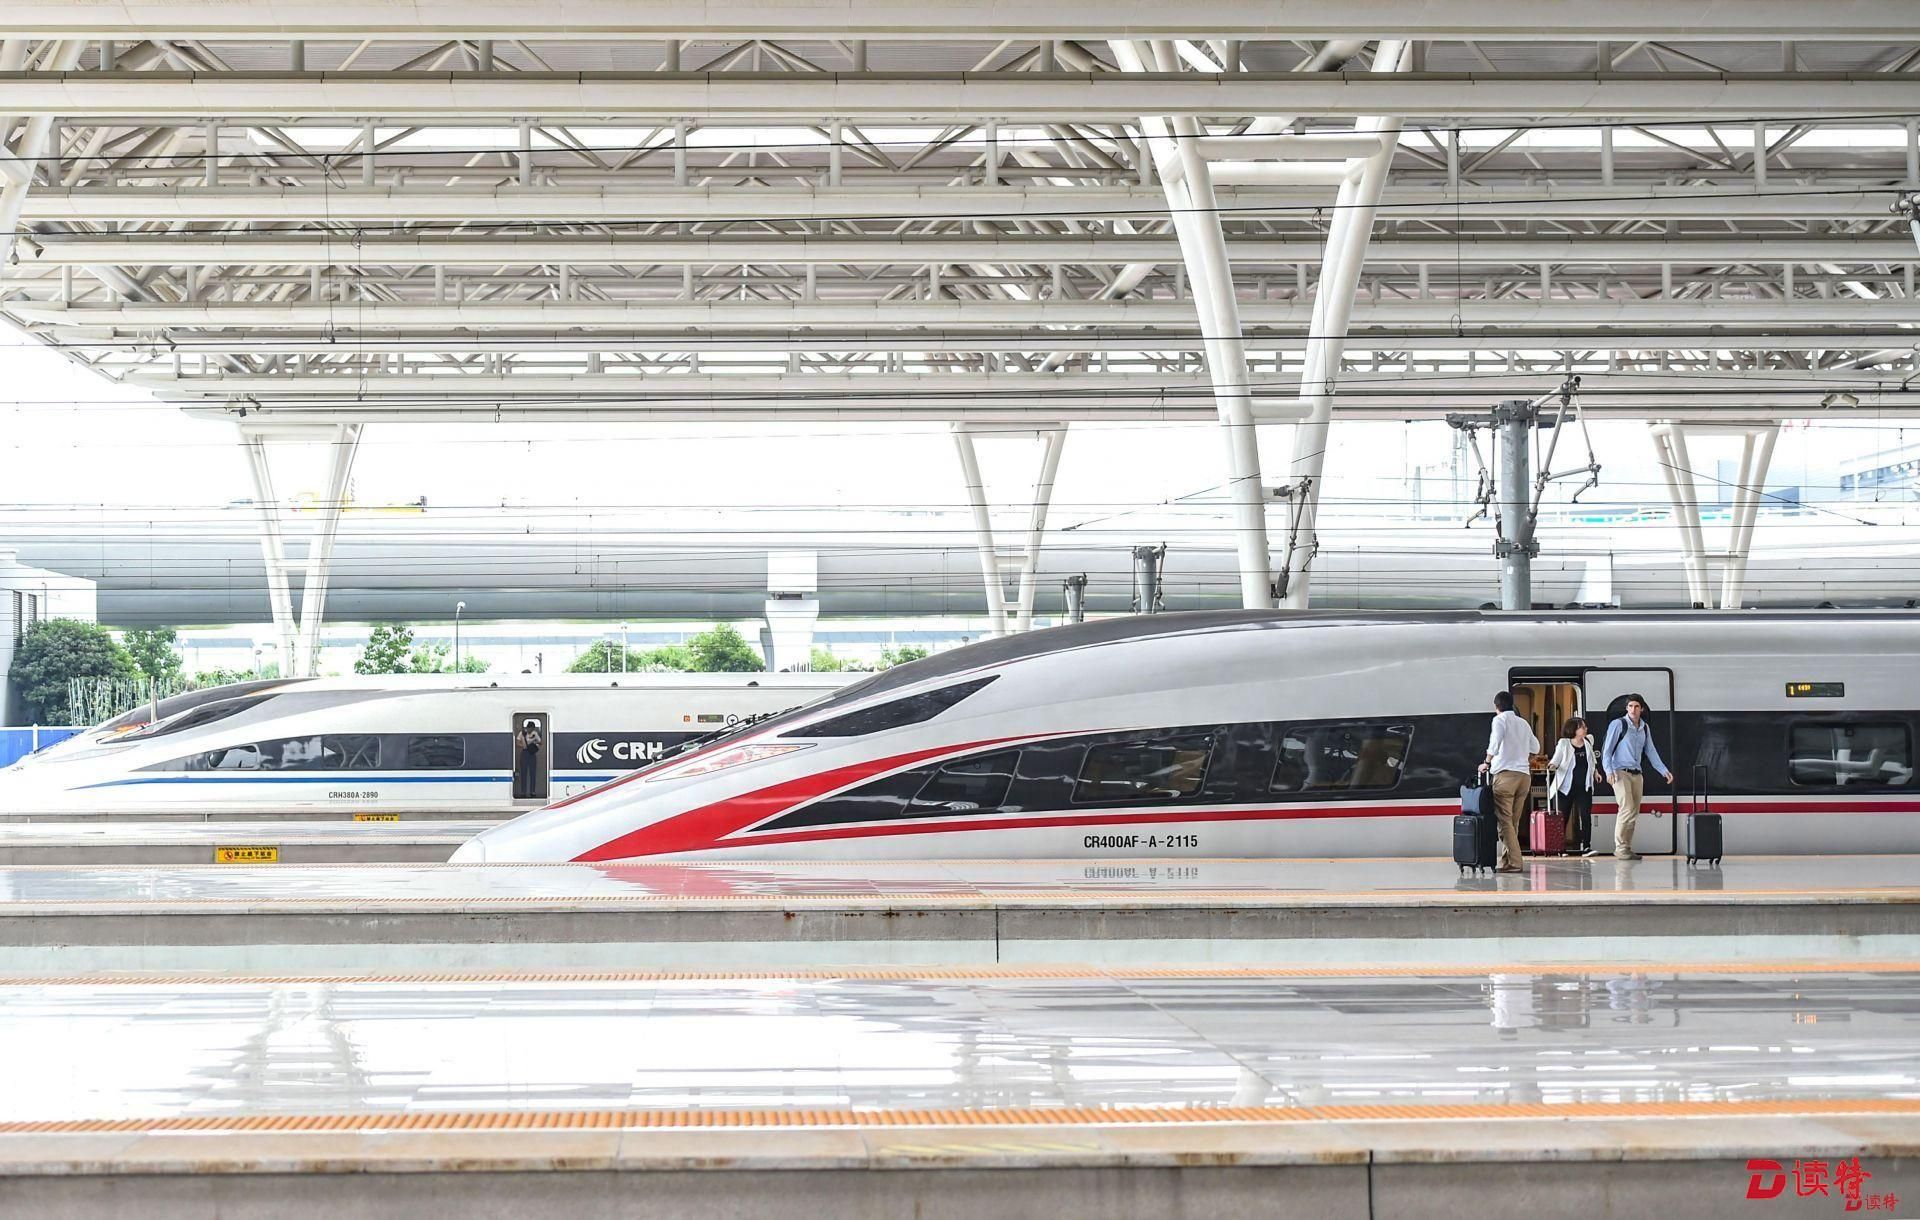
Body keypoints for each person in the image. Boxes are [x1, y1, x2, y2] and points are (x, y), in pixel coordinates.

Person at [1600, 694, 1673, 861]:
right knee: (1626, 808)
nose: (1633, 709)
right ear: (1626, 708)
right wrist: (1608, 771)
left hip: (1636, 773)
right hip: (1619, 772)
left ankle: (1627, 848)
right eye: (1630, 706)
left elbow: (1651, 751)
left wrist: (1663, 770)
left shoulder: (1644, 728)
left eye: (1636, 706)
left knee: (1634, 811)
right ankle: (1620, 848)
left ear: (1642, 709)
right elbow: (1607, 750)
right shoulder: (1618, 724)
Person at [1478, 689, 1539, 873]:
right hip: (1524, 777)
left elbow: (1494, 744)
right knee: (1513, 822)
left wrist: (1486, 762)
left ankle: (1516, 862)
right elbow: (1536, 747)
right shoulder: (1523, 723)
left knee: (1504, 821)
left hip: (1505, 777)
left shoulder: (1499, 720)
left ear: (1496, 706)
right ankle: (1506, 861)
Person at [1548, 716, 1598, 855]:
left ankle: (1586, 846)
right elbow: (1556, 760)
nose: (1585, 729)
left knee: (1586, 816)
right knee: (1563, 817)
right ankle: (1559, 847)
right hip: (1566, 787)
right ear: (1574, 729)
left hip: (1584, 786)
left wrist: (1595, 773)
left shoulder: (1588, 741)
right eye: (1582, 727)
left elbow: (1592, 760)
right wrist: (1552, 766)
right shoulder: (1564, 743)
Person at [512, 717, 545, 799]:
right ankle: (523, 792)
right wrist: (523, 746)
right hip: (524, 753)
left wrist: (534, 742)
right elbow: (517, 742)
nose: (530, 729)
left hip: (532, 754)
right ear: (527, 727)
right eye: (529, 728)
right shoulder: (522, 733)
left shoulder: (535, 733)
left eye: (532, 728)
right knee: (523, 773)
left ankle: (532, 791)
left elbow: (541, 742)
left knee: (532, 773)